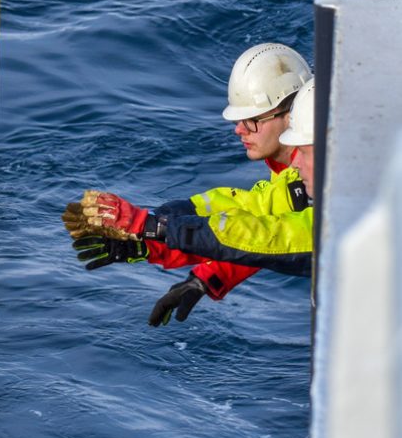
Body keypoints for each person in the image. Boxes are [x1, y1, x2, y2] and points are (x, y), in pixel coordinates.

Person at [63, 44, 312, 324]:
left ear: (291, 115)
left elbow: (280, 237)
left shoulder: (326, 172)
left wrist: (153, 228)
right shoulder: (294, 174)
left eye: (252, 120)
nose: (239, 129)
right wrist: (151, 242)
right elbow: (255, 216)